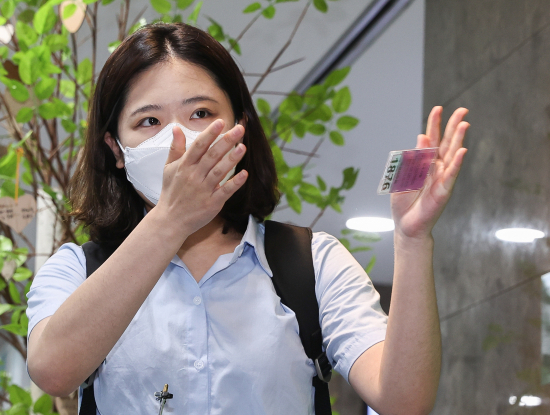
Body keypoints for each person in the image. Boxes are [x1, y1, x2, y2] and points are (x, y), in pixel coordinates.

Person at [25, 23, 469, 415]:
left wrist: (412, 241)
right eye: (149, 121)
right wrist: (171, 219)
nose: (179, 140)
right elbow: (52, 372)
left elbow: (404, 401)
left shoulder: (313, 263)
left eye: (200, 113)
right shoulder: (77, 270)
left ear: (239, 124)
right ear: (116, 149)